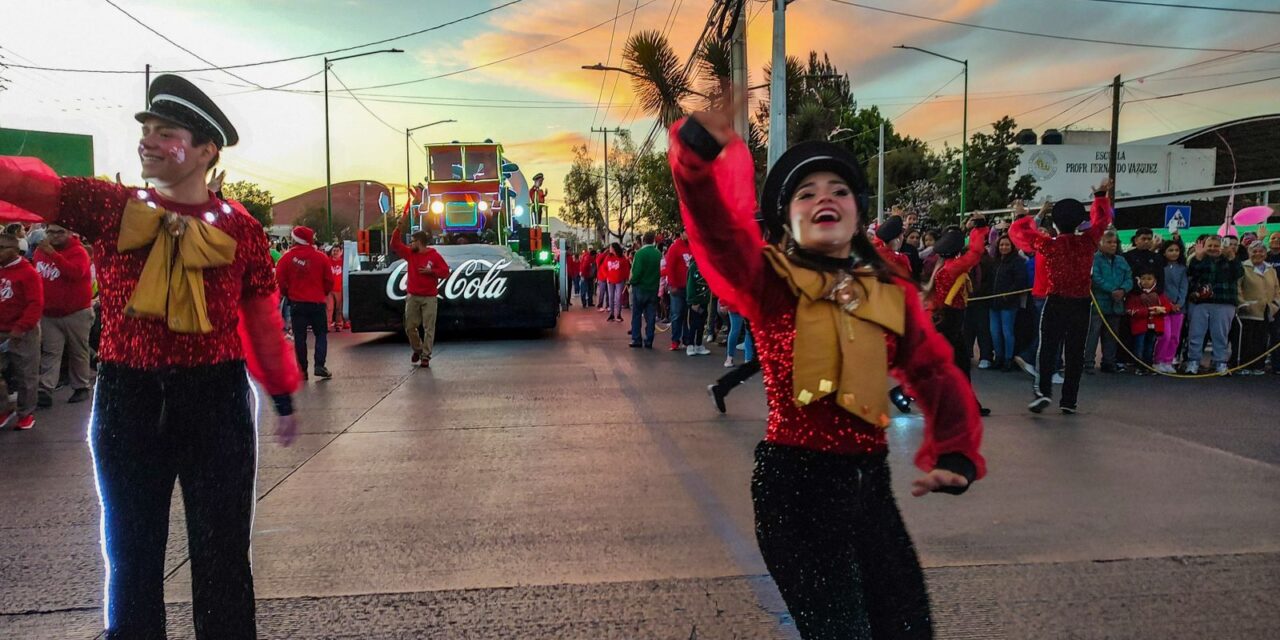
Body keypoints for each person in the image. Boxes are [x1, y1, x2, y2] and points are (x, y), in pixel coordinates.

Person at [0, 74, 301, 637]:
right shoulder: (110, 206)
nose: (149, 142)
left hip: (217, 400)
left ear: (206, 150)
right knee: (131, 555)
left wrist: (281, 389)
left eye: (167, 133)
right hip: (128, 399)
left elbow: (260, 317)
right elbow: (28, 185)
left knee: (223, 554)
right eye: (147, 130)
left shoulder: (242, 228)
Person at [669, 110, 983, 639]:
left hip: (870, 487)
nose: (824, 199)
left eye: (838, 190)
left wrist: (955, 452)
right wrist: (696, 161)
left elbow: (932, 369)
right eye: (806, 193)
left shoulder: (887, 290)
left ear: (857, 212)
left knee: (908, 628)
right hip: (796, 492)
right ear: (786, 217)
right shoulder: (768, 278)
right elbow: (717, 233)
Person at [1009, 182, 1114, 414]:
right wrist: (1099, 195)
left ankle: (1043, 392)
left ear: (1055, 224)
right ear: (1079, 222)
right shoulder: (1088, 242)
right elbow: (1102, 220)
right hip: (1081, 303)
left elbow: (1021, 234)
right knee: (1075, 352)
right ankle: (1069, 400)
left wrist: (1022, 215)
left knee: (1047, 349)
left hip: (1056, 301)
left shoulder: (1049, 245)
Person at [927, 224, 990, 415]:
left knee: (956, 364)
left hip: (946, 319)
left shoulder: (941, 268)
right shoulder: (954, 267)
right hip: (951, 320)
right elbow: (976, 253)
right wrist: (980, 229)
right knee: (954, 365)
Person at [34, 222, 95, 406]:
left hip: (76, 312)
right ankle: (45, 389)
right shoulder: (39, 252)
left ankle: (81, 387)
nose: (54, 236)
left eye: (59, 232)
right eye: (50, 232)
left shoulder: (79, 252)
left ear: (69, 233)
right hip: (49, 313)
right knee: (50, 352)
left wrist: (54, 255)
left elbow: (75, 273)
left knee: (78, 351)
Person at [391, 215, 451, 368]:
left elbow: (445, 272)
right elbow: (395, 244)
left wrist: (432, 272)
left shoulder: (434, 256)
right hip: (413, 295)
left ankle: (425, 356)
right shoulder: (411, 254)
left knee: (429, 327)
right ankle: (418, 349)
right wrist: (398, 227)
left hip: (429, 296)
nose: (410, 244)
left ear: (419, 242)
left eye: (412, 241)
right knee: (410, 326)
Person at [277, 226, 334, 380]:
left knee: (300, 337)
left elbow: (280, 280)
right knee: (321, 334)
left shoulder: (286, 258)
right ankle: (319, 365)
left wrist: (288, 293)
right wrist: (323, 292)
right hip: (317, 302)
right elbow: (329, 281)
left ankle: (302, 370)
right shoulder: (321, 257)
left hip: (297, 303)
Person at [0, 233, 43, 430]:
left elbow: (35, 304)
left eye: (2, 248)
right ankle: (4, 408)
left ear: (15, 250)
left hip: (23, 332)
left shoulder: (28, 273)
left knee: (25, 375)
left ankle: (26, 413)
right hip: (2, 328)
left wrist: (21, 327)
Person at [1185, 235, 1243, 375]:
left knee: (1221, 335)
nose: (1213, 248)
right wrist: (1198, 258)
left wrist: (1231, 257)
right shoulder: (1197, 258)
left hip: (1224, 302)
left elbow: (1238, 274)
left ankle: (1220, 363)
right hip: (1200, 302)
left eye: (1216, 246)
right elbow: (1191, 274)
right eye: (1209, 245)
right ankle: (1193, 362)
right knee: (1195, 334)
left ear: (1221, 246)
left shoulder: (1230, 259)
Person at [1085, 231, 1133, 374]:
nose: (1113, 245)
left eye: (1115, 242)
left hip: (1116, 303)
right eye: (1109, 242)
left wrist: (1123, 290)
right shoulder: (1094, 259)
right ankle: (1088, 363)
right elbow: (1095, 278)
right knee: (1093, 334)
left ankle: (1109, 362)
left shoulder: (1121, 260)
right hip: (1099, 303)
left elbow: (1129, 277)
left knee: (1112, 334)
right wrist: (1112, 290)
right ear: (1100, 244)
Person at [1236, 241, 1279, 375]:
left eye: (1261, 251)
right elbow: (1238, 287)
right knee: (1247, 340)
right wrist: (1243, 303)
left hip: (1266, 310)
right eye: (1254, 251)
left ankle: (1258, 366)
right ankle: (1244, 366)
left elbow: (1277, 289)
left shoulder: (1271, 269)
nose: (1258, 254)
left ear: (1265, 254)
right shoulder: (1243, 267)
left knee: (1261, 339)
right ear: (1249, 253)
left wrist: (1275, 305)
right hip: (1248, 310)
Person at [989, 235, 1029, 372]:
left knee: (1007, 332)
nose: (1004, 247)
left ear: (1012, 246)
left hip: (1008, 304)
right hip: (993, 302)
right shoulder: (995, 261)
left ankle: (1008, 359)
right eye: (1001, 245)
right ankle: (998, 357)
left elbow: (1021, 281)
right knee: (995, 332)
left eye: (1007, 245)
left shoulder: (1017, 262)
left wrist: (1008, 295)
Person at [1124, 271, 1172, 374]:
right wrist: (1147, 311)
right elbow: (1129, 310)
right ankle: (1139, 366)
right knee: (1139, 347)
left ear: (1155, 281)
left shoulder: (1159, 294)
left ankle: (1148, 365)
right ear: (1139, 280)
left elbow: (1168, 306)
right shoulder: (1135, 295)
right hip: (1140, 326)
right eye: (1143, 278)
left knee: (1150, 347)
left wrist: (1161, 309)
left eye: (1149, 279)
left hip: (1154, 326)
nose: (1146, 281)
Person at [1153, 239, 1188, 374]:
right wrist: (1168, 304)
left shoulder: (1183, 269)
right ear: (1164, 252)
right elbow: (1159, 288)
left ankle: (1168, 361)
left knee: (1175, 337)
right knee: (1165, 335)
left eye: (1177, 250)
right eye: (1170, 250)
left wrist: (1179, 303)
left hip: (1179, 308)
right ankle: (1158, 360)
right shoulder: (1160, 268)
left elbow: (1184, 287)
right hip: (1163, 307)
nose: (1174, 253)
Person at [628, 231, 661, 348]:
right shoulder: (658, 254)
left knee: (637, 314)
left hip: (640, 287)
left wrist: (631, 282)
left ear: (643, 240)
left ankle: (637, 339)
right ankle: (649, 339)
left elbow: (636, 272)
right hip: (653, 288)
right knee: (651, 316)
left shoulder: (639, 254)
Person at [664, 229, 693, 350]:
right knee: (677, 314)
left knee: (687, 315)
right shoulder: (674, 248)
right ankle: (675, 340)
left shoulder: (694, 247)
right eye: (686, 232)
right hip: (677, 287)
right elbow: (670, 267)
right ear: (681, 234)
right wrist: (672, 284)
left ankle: (687, 340)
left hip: (690, 287)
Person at [684, 256, 712, 356]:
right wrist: (693, 301)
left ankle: (699, 344)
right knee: (693, 324)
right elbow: (690, 285)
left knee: (701, 324)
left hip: (704, 300)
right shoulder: (693, 267)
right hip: (696, 301)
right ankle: (690, 345)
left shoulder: (706, 266)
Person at [600, 243, 630, 322]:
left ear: (614, 248)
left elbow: (626, 268)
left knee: (618, 297)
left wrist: (626, 278)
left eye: (610, 247)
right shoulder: (608, 257)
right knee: (611, 297)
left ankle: (618, 314)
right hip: (610, 280)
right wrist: (607, 276)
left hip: (620, 280)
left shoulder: (622, 257)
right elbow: (603, 267)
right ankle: (612, 314)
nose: (609, 249)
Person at [326, 244, 346, 331]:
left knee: (339, 308)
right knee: (329, 308)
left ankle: (339, 324)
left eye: (337, 251)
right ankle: (327, 325)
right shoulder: (327, 261)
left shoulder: (344, 263)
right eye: (334, 250)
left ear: (341, 252)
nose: (335, 252)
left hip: (340, 288)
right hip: (329, 289)